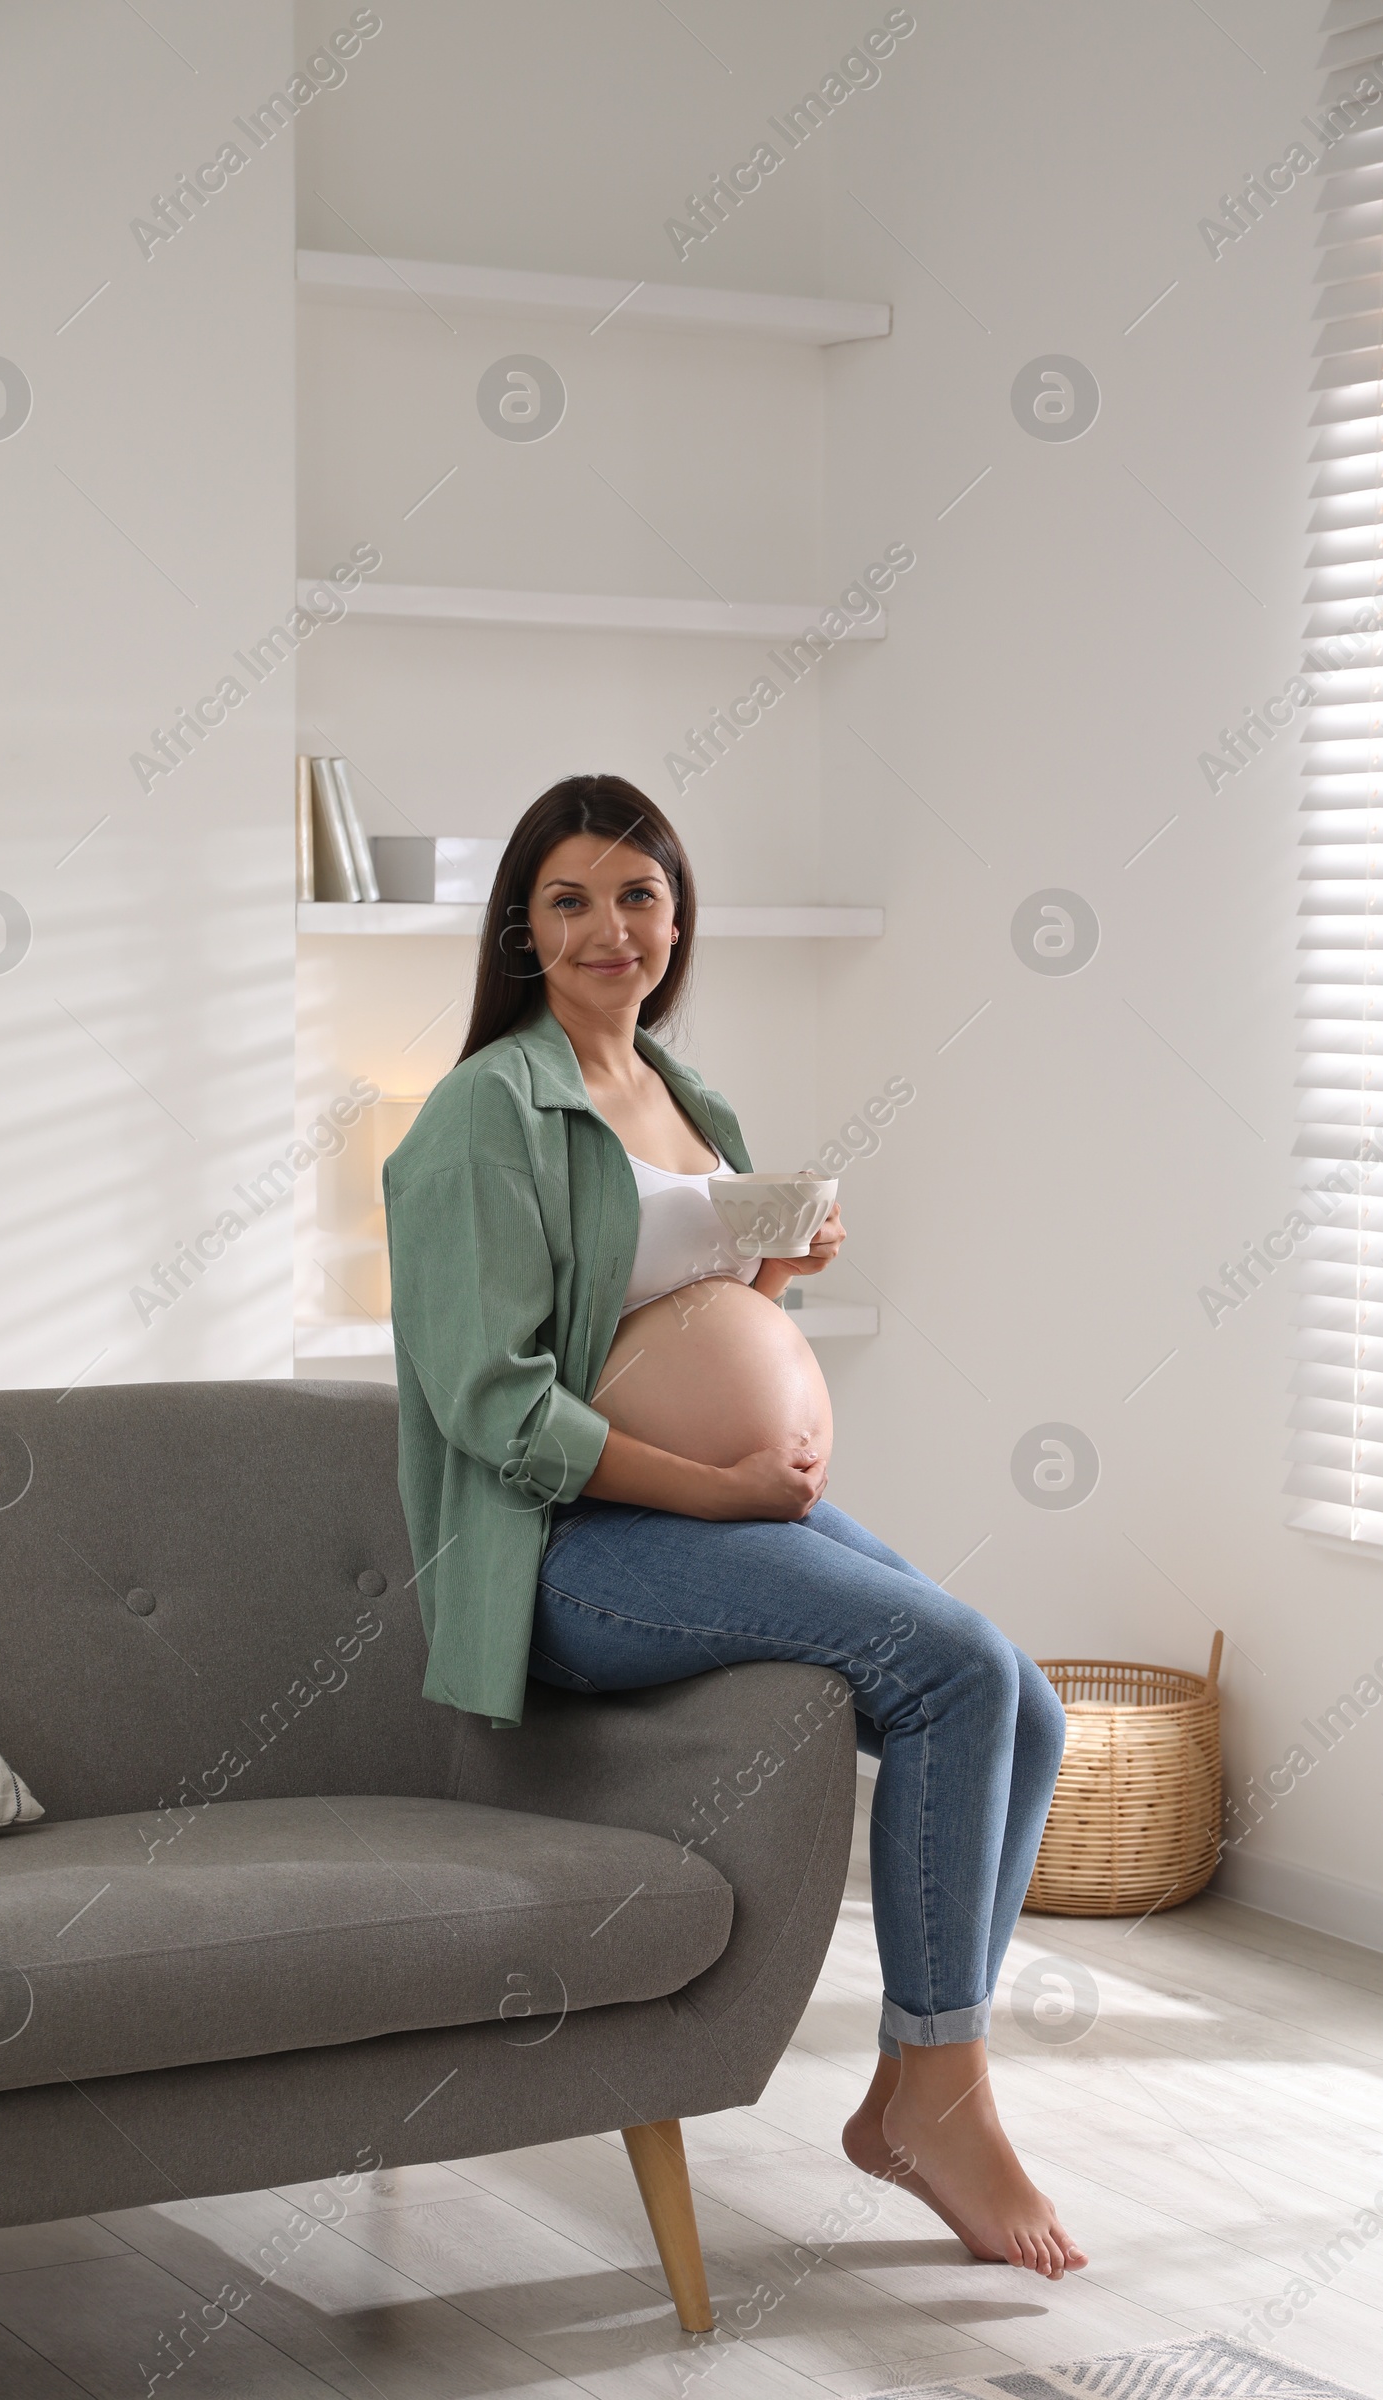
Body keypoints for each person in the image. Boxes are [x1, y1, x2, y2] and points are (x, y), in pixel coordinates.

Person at [384, 773, 1086, 2279]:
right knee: (952, 1670)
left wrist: (785, 1281)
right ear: (522, 927)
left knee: (1022, 1698)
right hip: (569, 1558)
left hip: (713, 1520)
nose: (610, 928)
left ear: (679, 917)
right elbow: (494, 1406)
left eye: (638, 896)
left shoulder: (688, 1099)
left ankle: (913, 2086)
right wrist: (723, 1487)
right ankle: (946, 2089)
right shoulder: (481, 1113)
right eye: (571, 900)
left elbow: (689, 1323)